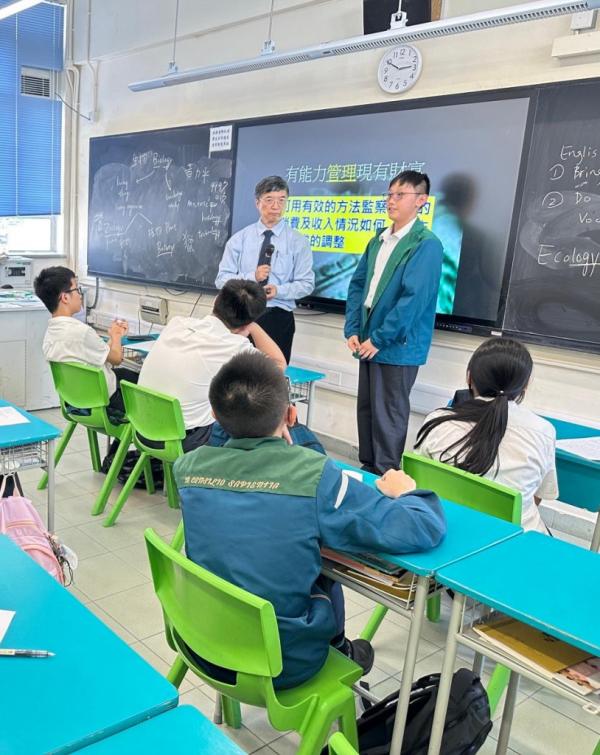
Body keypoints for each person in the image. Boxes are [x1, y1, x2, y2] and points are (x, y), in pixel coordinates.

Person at [173, 351, 446, 689]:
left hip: (202, 641)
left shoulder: (186, 468)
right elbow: (419, 528)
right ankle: (340, 648)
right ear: (290, 414)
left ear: (214, 414)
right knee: (323, 573)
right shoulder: (315, 476)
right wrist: (406, 493)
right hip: (280, 663)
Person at [344, 170, 444, 475]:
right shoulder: (379, 239)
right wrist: (353, 328)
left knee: (388, 412)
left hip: (396, 344)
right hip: (368, 338)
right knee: (367, 409)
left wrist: (380, 338)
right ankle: (368, 469)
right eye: (390, 194)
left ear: (421, 201)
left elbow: (413, 300)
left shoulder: (425, 244)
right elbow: (358, 285)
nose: (391, 201)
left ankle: (386, 475)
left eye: (401, 195)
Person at [415, 337, 558, 533]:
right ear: (525, 385)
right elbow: (538, 495)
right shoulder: (543, 431)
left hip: (450, 529)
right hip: (515, 538)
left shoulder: (438, 422)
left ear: (469, 377)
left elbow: (420, 482)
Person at [138, 279, 285, 452]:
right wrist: (253, 326)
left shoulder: (177, 323)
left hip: (141, 429)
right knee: (246, 422)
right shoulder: (234, 346)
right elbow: (279, 364)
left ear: (216, 300)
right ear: (247, 323)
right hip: (183, 442)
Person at [215, 175, 315, 363]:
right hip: (240, 315)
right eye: (269, 200)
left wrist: (279, 290)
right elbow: (221, 280)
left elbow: (307, 284)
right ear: (257, 202)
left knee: (271, 374)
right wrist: (252, 276)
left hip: (277, 317)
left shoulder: (298, 242)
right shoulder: (239, 239)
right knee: (236, 371)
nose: (276, 206)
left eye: (281, 200)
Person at [34, 265, 135, 415]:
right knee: (143, 382)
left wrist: (113, 337)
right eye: (77, 289)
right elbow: (116, 359)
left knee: (125, 375)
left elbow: (99, 354)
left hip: (75, 402)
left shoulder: (51, 333)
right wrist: (117, 336)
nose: (80, 295)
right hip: (105, 402)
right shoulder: (81, 332)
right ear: (65, 297)